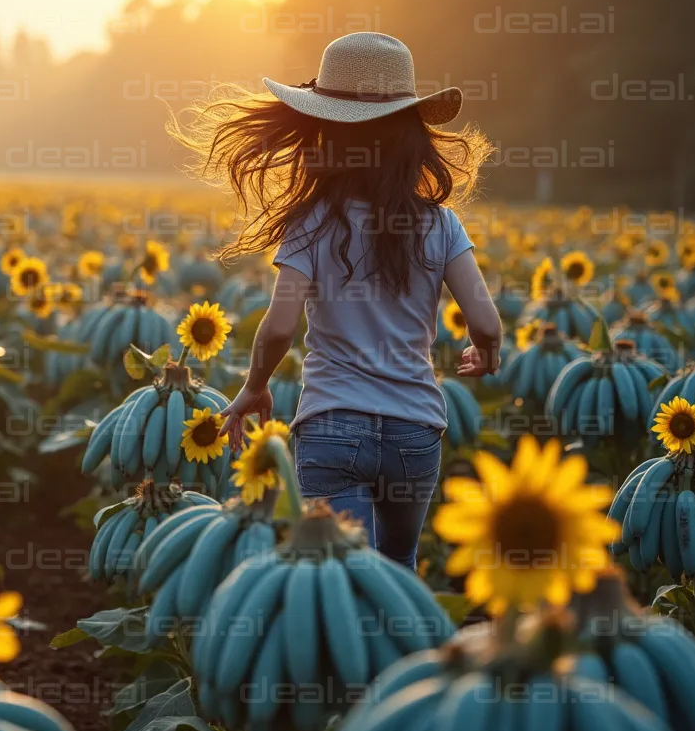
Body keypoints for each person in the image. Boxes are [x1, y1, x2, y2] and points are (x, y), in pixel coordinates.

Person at [170, 32, 500, 568]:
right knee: (397, 571)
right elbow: (484, 318)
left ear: (324, 134)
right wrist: (486, 351)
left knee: (339, 578)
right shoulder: (441, 223)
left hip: (332, 425)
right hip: (414, 431)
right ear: (414, 135)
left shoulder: (311, 222)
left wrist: (254, 387)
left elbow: (279, 328)